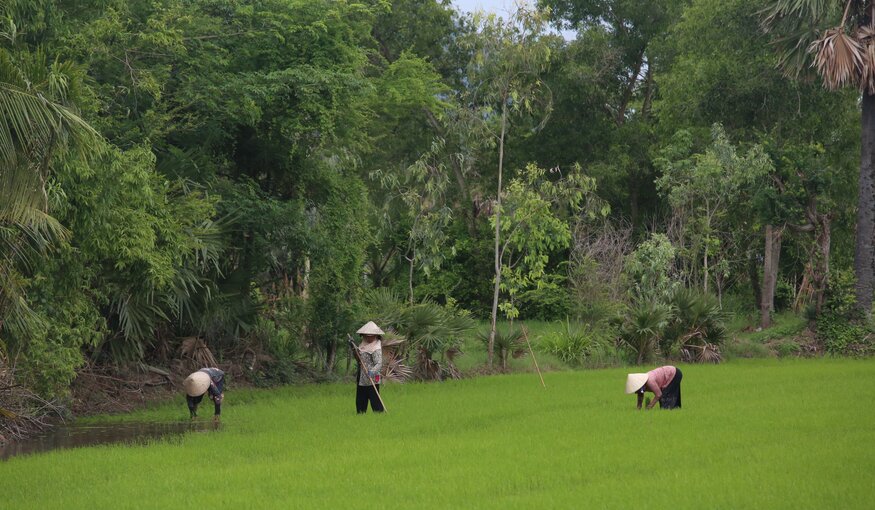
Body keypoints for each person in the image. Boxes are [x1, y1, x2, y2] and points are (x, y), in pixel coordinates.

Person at [353, 321, 384, 414]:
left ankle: (379, 414)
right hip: (362, 375)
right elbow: (359, 359)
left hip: (373, 377)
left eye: (371, 336)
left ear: (376, 335)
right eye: (366, 336)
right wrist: (354, 351)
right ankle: (361, 414)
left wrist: (371, 372)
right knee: (361, 398)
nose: (369, 338)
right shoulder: (363, 345)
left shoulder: (376, 347)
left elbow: (379, 363)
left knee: (374, 396)